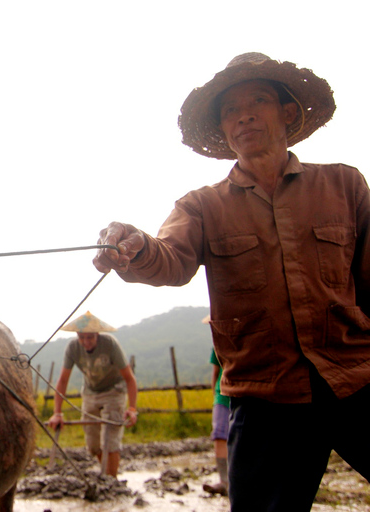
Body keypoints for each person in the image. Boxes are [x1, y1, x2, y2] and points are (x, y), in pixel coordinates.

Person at [92, 52, 370, 511]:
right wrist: (136, 246)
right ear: (223, 130)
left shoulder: (344, 186)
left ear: (287, 113)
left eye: (257, 100)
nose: (242, 115)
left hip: (354, 379)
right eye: (228, 110)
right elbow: (171, 259)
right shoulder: (201, 206)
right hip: (266, 396)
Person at [48, 311, 138, 478]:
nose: (86, 342)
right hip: (90, 393)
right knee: (93, 445)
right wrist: (57, 413)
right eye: (82, 337)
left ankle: (110, 480)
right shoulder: (73, 348)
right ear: (77, 336)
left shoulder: (110, 344)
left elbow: (129, 378)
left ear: (97, 335)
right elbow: (62, 381)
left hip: (114, 392)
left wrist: (132, 408)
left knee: (110, 442)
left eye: (90, 337)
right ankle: (107, 474)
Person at [202, 346, 229, 496]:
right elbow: (215, 372)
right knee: (219, 435)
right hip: (223, 394)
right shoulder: (217, 346)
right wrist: (215, 395)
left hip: (244, 394)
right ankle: (224, 481)